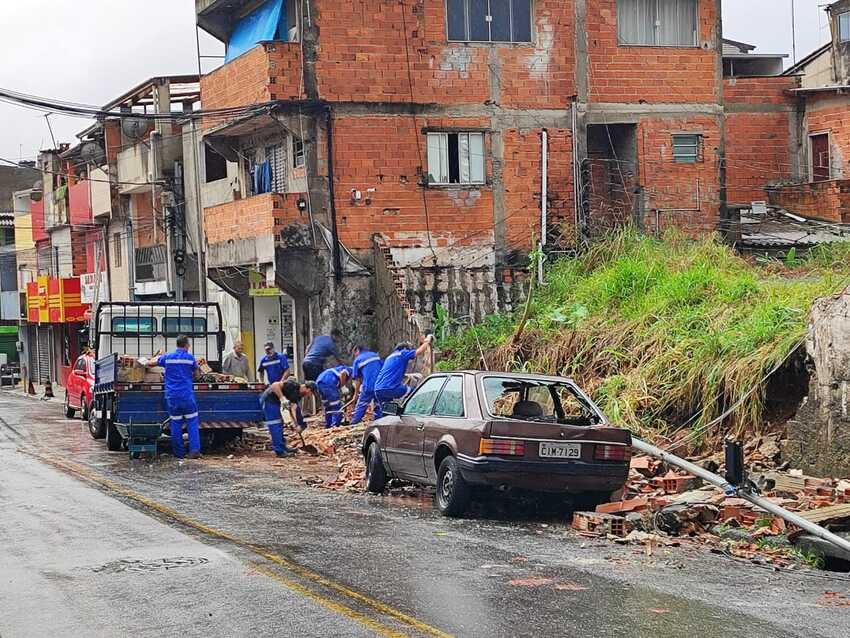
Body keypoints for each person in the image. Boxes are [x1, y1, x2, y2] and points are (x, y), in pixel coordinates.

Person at [150, 335, 201, 460]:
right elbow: (198, 375)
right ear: (186, 345)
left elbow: (151, 363)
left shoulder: (168, 357)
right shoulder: (190, 358)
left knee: (176, 423)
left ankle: (179, 454)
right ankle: (194, 451)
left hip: (172, 396)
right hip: (187, 396)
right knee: (192, 423)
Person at [260, 379, 317, 457]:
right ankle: (279, 451)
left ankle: (283, 447)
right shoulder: (292, 385)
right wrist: (282, 398)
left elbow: (293, 409)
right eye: (310, 393)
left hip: (276, 402)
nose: (308, 395)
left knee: (280, 424)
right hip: (269, 400)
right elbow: (275, 385)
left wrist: (296, 424)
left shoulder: (298, 396)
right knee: (275, 424)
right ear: (308, 389)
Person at [374, 336, 434, 404]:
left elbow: (391, 373)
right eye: (409, 350)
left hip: (378, 389)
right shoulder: (402, 353)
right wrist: (427, 341)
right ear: (405, 348)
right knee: (414, 393)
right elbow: (419, 352)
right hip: (390, 388)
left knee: (388, 410)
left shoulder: (390, 357)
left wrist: (409, 375)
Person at [350, 345, 383, 425]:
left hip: (368, 386)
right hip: (380, 385)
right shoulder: (375, 356)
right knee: (378, 405)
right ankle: (378, 423)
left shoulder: (358, 360)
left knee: (361, 405)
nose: (355, 355)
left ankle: (353, 424)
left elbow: (357, 380)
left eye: (354, 353)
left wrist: (356, 394)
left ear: (357, 350)